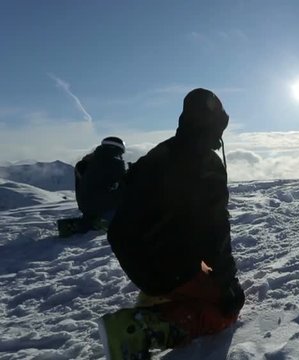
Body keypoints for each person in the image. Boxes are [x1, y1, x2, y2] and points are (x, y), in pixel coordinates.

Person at [100, 88, 244, 359]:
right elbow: (214, 230)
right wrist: (227, 284)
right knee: (225, 312)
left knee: (194, 270)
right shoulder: (205, 163)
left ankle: (159, 297)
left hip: (135, 255)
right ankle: (138, 329)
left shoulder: (161, 151)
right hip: (161, 263)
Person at [73, 136, 126, 232]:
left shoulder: (86, 163)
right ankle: (101, 222)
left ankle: (89, 221)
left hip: (85, 206)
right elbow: (126, 182)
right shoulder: (115, 163)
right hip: (102, 206)